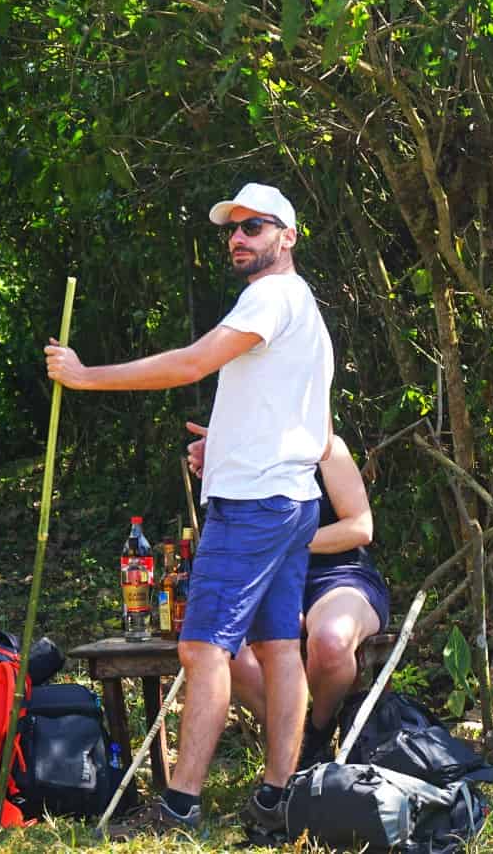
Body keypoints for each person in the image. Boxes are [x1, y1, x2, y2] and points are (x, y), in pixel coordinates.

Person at [45, 183, 333, 839]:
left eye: (254, 227)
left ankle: (178, 809)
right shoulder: (303, 306)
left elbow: (192, 364)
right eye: (233, 229)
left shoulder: (271, 295)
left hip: (257, 505)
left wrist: (86, 376)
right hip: (291, 496)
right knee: (279, 647)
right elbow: (312, 426)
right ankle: (277, 800)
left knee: (202, 648)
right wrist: (225, 444)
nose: (239, 238)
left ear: (286, 236)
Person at [187, 426, 390, 765]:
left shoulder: (327, 448)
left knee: (330, 641)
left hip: (338, 575)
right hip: (269, 578)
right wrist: (223, 458)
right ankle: (288, 744)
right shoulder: (244, 451)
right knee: (221, 646)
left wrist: (288, 543)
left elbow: (360, 527)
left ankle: (316, 733)